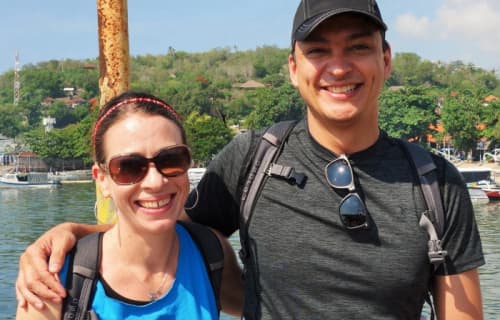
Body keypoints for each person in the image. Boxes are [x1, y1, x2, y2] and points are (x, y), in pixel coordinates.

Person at [16, 1, 484, 319]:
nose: (338, 68)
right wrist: (72, 234)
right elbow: (157, 221)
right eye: (318, 51)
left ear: (386, 59)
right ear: (294, 68)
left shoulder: (435, 183)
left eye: (358, 47)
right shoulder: (255, 159)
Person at [16, 92, 243, 319]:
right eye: (129, 167)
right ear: (102, 179)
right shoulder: (55, 276)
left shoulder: (210, 253)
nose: (155, 182)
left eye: (171, 160)